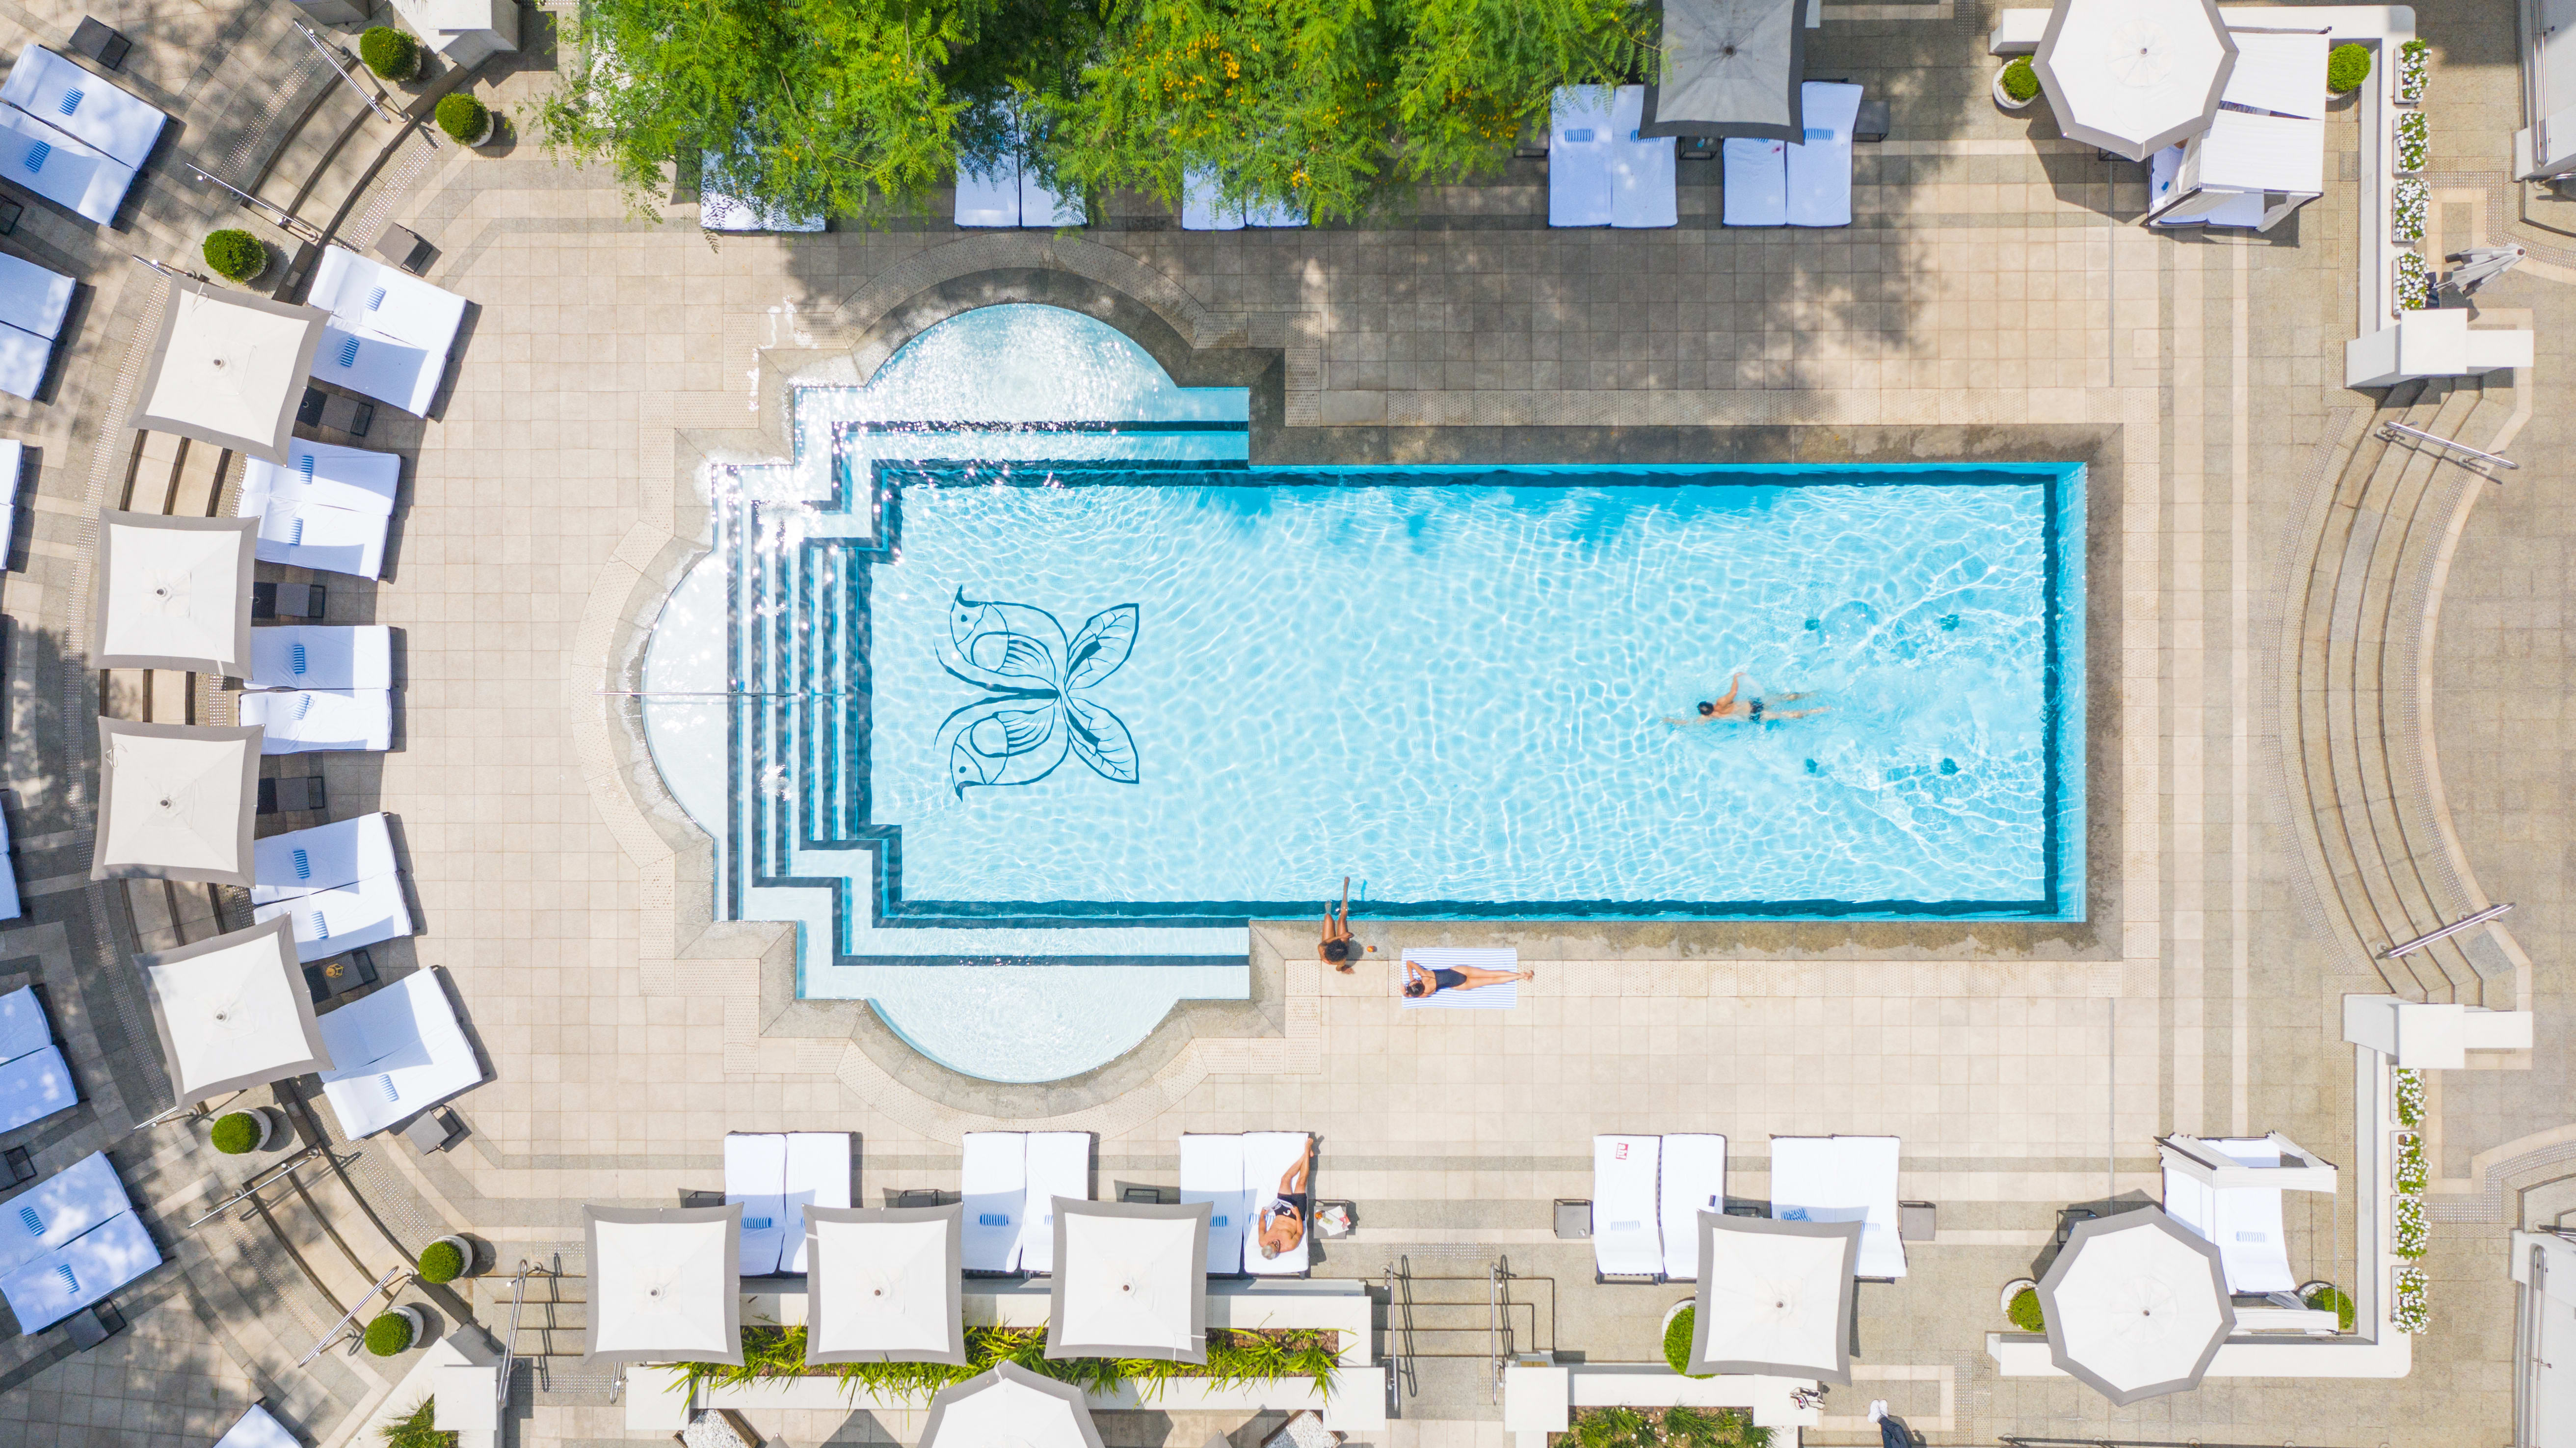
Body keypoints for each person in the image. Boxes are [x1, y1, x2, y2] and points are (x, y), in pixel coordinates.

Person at [1664, 672, 1825, 727]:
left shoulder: (1708, 718)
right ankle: (1810, 695)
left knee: (1786, 715)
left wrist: (1672, 721)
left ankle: (1817, 711)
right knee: (1783, 698)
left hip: (1754, 717)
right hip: (1754, 705)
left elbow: (1689, 723)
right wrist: (1735, 677)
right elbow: (1734, 692)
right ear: (1710, 704)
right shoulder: (1720, 702)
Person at [1254, 1148, 1312, 1261]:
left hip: (1281, 1211)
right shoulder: (1289, 1246)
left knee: (1285, 1179)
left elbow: (1262, 1228)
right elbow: (1300, 1232)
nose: (1274, 1242)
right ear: (1276, 1252)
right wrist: (1297, 1215)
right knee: (1301, 1183)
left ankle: (1306, 1154)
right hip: (1295, 1216)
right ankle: (1307, 1149)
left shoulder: (1262, 1241)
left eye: (1271, 1243)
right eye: (1275, 1245)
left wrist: (1262, 1215)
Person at [1401, 957, 1535, 999]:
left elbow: (1411, 996)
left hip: (1459, 985)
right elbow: (1409, 963)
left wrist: (1405, 993)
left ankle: (1522, 977)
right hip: (1458, 971)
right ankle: (1522, 975)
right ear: (1417, 982)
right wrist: (1411, 977)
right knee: (1490, 973)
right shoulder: (1424, 975)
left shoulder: (1424, 994)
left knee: (1492, 981)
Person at [1319, 877, 1371, 971]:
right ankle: (1345, 890)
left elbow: (1324, 943)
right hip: (1338, 947)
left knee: (1328, 918)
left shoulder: (1322, 949)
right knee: (1342, 919)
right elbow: (1338, 969)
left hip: (1329, 944)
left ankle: (1328, 911)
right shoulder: (1342, 960)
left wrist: (1341, 936)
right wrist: (1344, 969)